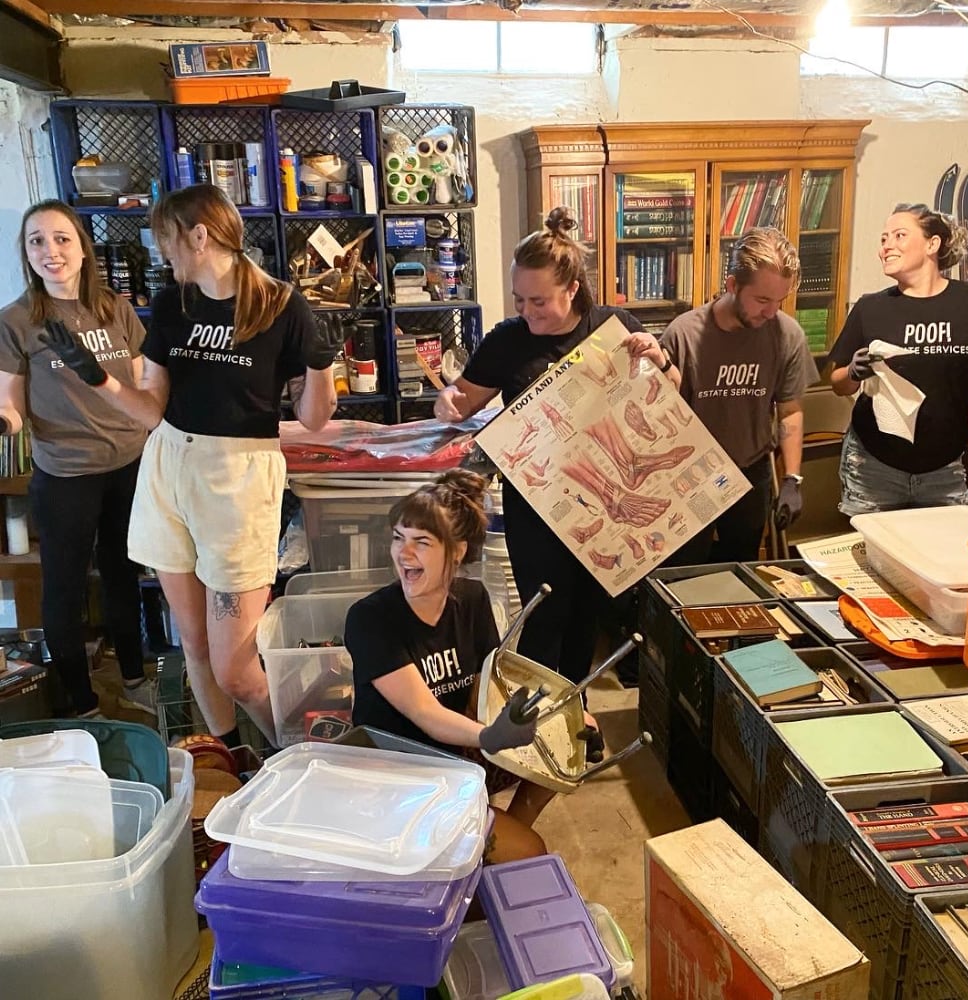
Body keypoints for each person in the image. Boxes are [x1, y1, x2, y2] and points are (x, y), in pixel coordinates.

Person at [44, 184, 337, 747]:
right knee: (194, 644)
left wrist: (321, 363)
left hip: (239, 479)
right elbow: (151, 409)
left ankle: (308, 755)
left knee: (234, 667)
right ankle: (231, 759)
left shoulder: (280, 305)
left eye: (167, 240)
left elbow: (315, 418)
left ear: (199, 235)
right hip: (170, 465)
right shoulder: (174, 305)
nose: (162, 253)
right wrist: (97, 378)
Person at [433, 207, 666, 689]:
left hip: (606, 501)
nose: (527, 312)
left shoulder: (613, 325)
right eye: (520, 300)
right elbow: (463, 397)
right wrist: (446, 401)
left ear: (573, 289)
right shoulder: (508, 340)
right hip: (536, 503)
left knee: (587, 615)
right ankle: (538, 718)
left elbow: (671, 395)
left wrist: (659, 357)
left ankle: (575, 710)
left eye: (539, 301)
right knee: (543, 614)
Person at [344, 470, 550, 858]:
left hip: (453, 755)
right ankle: (478, 841)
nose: (404, 555)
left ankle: (486, 833)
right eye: (398, 538)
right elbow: (425, 713)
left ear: (457, 551)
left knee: (565, 744)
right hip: (397, 771)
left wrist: (562, 717)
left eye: (421, 542)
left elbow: (489, 682)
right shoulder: (370, 619)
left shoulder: (472, 598)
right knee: (529, 853)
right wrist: (489, 738)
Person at [0, 199, 151, 719]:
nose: (51, 251)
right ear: (26, 252)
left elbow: (143, 386)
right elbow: (10, 405)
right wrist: (2, 422)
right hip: (65, 475)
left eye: (61, 238)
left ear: (83, 249)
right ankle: (82, 704)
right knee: (63, 587)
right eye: (36, 240)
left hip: (130, 464)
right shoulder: (17, 321)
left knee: (122, 575)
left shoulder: (114, 308)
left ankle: (134, 678)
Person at [661, 226, 819, 563]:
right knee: (685, 571)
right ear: (732, 285)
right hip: (691, 475)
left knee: (741, 568)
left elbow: (789, 409)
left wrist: (793, 478)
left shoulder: (787, 335)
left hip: (751, 471)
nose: (772, 311)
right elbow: (662, 416)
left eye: (780, 300)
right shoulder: (684, 334)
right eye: (762, 300)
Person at [829, 203, 968, 515]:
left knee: (944, 557)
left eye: (899, 235)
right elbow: (839, 384)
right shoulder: (871, 308)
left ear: (932, 244)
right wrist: (853, 371)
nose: (886, 246)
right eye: (883, 239)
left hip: (943, 470)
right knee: (877, 561)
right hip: (874, 468)